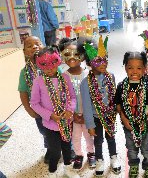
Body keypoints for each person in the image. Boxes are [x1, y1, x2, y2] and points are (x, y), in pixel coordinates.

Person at [30, 47, 79, 178]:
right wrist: (50, 115)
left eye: (52, 65)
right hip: (50, 124)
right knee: (55, 151)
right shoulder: (38, 81)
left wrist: (70, 110)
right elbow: (34, 103)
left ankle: (68, 168)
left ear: (57, 62)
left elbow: (72, 97)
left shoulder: (65, 78)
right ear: (40, 66)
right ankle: (52, 170)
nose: (49, 69)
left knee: (67, 147)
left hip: (66, 121)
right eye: (45, 66)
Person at [80, 36, 121, 177]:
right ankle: (99, 160)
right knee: (98, 141)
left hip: (109, 115)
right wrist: (90, 125)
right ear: (90, 63)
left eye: (106, 59)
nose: (104, 63)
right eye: (99, 60)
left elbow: (114, 95)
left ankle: (114, 157)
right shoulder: (85, 83)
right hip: (95, 117)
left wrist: (116, 110)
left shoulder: (112, 76)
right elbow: (86, 105)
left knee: (111, 137)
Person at [58, 37, 96, 170]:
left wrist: (87, 114)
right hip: (72, 116)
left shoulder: (88, 73)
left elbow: (93, 96)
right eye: (67, 54)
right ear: (63, 56)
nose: (72, 57)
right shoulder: (63, 76)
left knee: (88, 136)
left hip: (87, 115)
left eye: (76, 54)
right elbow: (62, 98)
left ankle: (91, 153)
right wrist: (72, 114)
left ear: (83, 56)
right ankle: (79, 155)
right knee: (75, 138)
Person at [114, 52, 148, 178]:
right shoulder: (121, 86)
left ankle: (147, 166)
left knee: (146, 148)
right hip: (128, 124)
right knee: (131, 148)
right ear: (125, 68)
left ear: (144, 69)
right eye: (130, 67)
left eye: (139, 68)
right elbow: (118, 104)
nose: (134, 71)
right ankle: (134, 166)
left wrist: (145, 120)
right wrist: (123, 118)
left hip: (145, 125)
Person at [17, 36, 50, 163]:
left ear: (43, 47)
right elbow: (23, 92)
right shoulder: (24, 72)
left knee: (62, 128)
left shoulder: (52, 65)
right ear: (25, 52)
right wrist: (29, 110)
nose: (35, 47)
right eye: (30, 46)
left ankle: (68, 148)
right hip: (39, 110)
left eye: (37, 44)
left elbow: (62, 83)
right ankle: (50, 148)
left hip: (56, 107)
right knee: (45, 131)